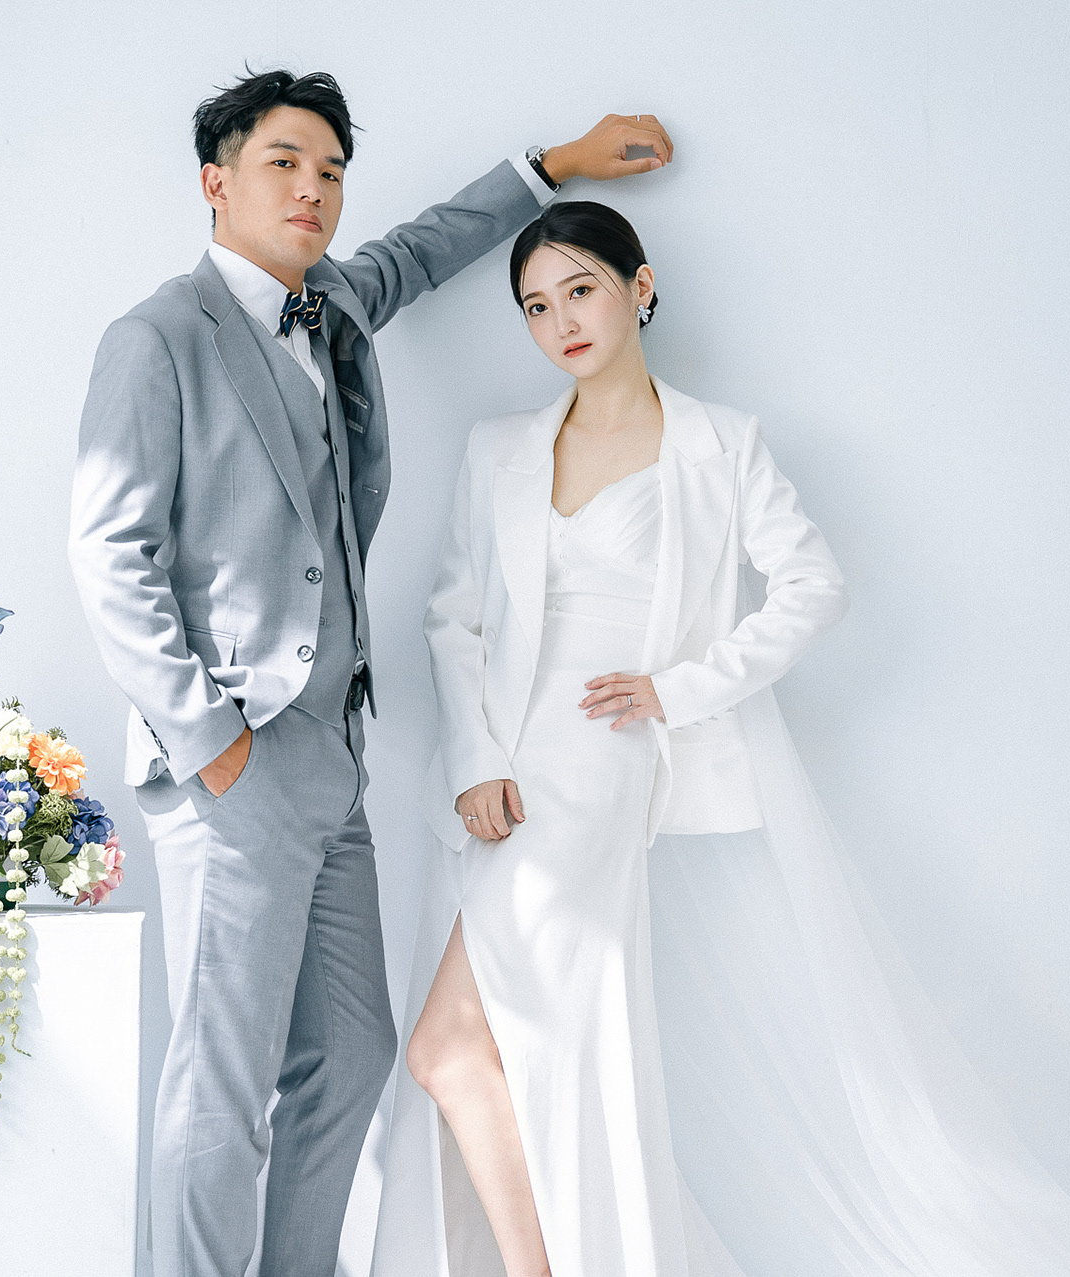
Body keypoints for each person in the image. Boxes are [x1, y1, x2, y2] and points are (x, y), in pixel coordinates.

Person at [370, 201, 1070, 1277]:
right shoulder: (498, 447)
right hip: (500, 771)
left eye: (581, 290)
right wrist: (475, 760)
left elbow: (814, 586)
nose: (562, 322)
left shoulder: (717, 443)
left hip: (599, 765)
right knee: (484, 1045)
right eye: (537, 307)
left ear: (640, 286)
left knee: (472, 1042)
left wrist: (677, 689)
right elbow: (452, 617)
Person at [67, 67, 675, 1277]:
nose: (313, 188)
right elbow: (108, 555)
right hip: (234, 761)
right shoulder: (156, 338)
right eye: (284, 163)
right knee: (222, 1080)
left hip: (333, 757)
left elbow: (423, 249)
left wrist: (558, 164)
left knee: (348, 1056)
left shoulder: (332, 300)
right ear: (216, 181)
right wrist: (212, 744)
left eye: (331, 170)